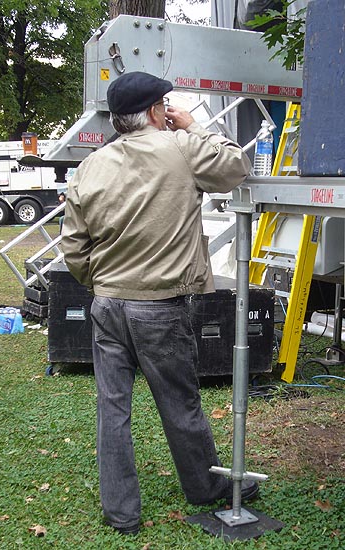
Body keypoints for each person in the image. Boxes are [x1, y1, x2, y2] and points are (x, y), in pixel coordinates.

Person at [62, 71, 257, 536]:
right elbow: (235, 168)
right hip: (160, 307)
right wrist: (192, 126)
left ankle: (122, 514)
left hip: (107, 304)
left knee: (112, 409)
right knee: (180, 403)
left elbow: (73, 247)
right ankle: (204, 488)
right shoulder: (182, 148)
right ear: (156, 111)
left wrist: (103, 281)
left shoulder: (92, 164)